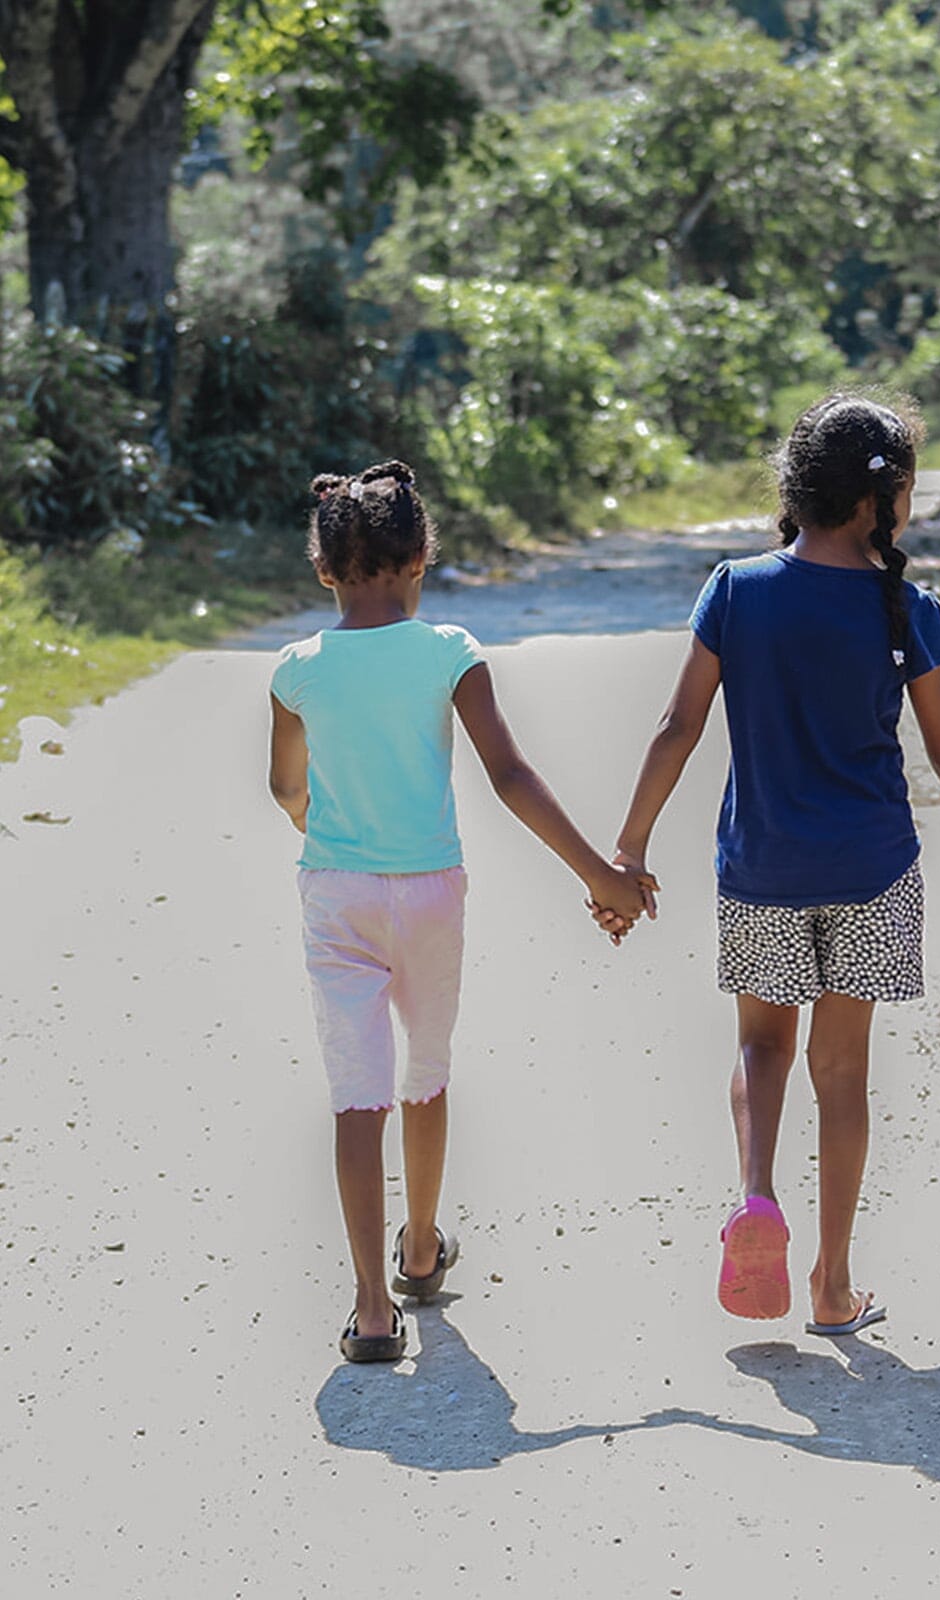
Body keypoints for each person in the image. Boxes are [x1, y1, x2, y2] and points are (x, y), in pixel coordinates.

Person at [602, 394, 940, 1337]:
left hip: (763, 866)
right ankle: (832, 1284)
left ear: (796, 486)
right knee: (842, 1075)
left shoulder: (736, 589)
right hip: (872, 871)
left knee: (760, 1046)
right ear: (887, 500)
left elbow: (678, 725)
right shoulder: (907, 606)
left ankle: (755, 1195)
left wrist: (630, 844)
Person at [267, 461, 646, 1363]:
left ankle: (368, 1308)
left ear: (323, 568)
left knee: (356, 1096)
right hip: (432, 890)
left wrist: (323, 827)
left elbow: (285, 786)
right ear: (420, 557)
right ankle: (423, 1247)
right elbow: (509, 775)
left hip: (337, 894)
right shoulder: (450, 652)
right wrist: (601, 875)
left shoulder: (295, 671)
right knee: (425, 1070)